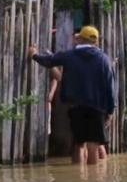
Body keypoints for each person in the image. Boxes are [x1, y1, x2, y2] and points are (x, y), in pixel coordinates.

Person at [29, 25, 115, 164]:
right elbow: (110, 88)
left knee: (79, 144)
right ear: (96, 42)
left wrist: (34, 54)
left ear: (80, 39)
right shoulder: (104, 60)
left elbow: (48, 61)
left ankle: (78, 178)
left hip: (76, 106)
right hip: (98, 107)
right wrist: (110, 110)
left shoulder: (69, 55)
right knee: (93, 145)